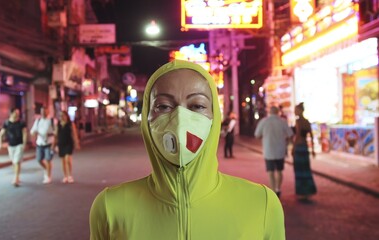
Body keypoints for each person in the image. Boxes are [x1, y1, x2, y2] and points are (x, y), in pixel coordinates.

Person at [89, 60, 285, 239]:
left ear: (214, 118)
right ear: (146, 120)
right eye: (164, 106)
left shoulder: (263, 204)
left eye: (197, 106)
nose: (180, 119)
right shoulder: (110, 207)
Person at [254, 106, 293, 198]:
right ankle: (278, 188)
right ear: (278, 112)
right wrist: (287, 141)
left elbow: (257, 135)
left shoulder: (264, 121)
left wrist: (264, 138)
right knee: (279, 171)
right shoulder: (282, 122)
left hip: (268, 150)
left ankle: (273, 191)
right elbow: (290, 134)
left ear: (269, 112)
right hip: (280, 150)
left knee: (270, 171)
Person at [292, 102, 317, 201]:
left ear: (300, 110)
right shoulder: (307, 121)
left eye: (296, 110)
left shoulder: (298, 122)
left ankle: (302, 192)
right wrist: (313, 150)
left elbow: (297, 135)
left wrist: (293, 148)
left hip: (299, 147)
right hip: (305, 147)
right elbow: (311, 135)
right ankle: (308, 191)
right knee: (306, 169)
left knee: (299, 169)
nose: (295, 112)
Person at [0, 108, 27, 187]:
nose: (18, 114)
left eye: (18, 112)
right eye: (16, 112)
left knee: (17, 161)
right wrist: (0, 143)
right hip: (10, 145)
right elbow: (1, 134)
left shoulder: (21, 122)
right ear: (11, 113)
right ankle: (17, 176)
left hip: (19, 144)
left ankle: (16, 178)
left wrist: (24, 144)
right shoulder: (7, 123)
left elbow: (24, 133)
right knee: (14, 162)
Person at [30, 106, 55, 184]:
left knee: (48, 159)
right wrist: (33, 133)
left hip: (49, 142)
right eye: (42, 111)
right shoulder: (38, 120)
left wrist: (54, 143)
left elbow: (55, 132)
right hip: (40, 142)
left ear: (48, 112)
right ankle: (46, 169)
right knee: (39, 159)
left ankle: (48, 176)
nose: (43, 113)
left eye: (45, 111)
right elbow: (32, 130)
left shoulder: (51, 121)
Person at [56, 110, 80, 184]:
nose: (62, 117)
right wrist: (55, 145)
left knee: (67, 159)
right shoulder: (58, 124)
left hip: (68, 143)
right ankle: (65, 176)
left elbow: (74, 134)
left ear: (67, 116)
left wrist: (76, 143)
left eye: (63, 115)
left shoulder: (70, 124)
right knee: (63, 161)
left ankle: (70, 175)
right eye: (60, 116)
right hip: (61, 144)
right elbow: (56, 135)